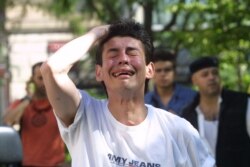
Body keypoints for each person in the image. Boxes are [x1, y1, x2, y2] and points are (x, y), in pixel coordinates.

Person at [41, 19, 215, 166]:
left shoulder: (179, 130)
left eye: (132, 53)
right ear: (98, 72)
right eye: (113, 54)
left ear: (149, 70)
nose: (123, 59)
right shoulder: (84, 116)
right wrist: (98, 32)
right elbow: (52, 68)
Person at [181, 56, 250, 167]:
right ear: (194, 80)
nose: (211, 77)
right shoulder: (188, 114)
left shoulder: (243, 103)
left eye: (215, 73)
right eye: (205, 74)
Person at [3, 62, 65, 167]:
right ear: (32, 80)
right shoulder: (22, 103)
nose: (45, 82)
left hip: (55, 164)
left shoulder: (59, 103)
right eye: (40, 78)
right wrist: (28, 98)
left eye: (48, 78)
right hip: (29, 163)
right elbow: (8, 121)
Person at [145, 48, 197, 115]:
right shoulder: (145, 101)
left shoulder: (192, 97)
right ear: (152, 73)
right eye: (158, 70)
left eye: (167, 70)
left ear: (175, 73)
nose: (163, 74)